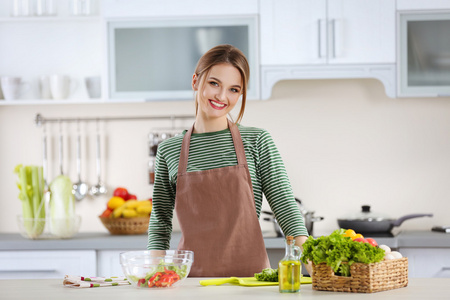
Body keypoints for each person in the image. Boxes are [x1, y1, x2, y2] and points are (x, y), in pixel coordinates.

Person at [147, 44, 310, 277]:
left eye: (234, 89)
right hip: (192, 282)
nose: (222, 97)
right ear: (195, 81)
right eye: (214, 83)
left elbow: (285, 207)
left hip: (251, 282)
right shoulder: (169, 150)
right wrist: (156, 273)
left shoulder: (257, 140)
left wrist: (315, 267)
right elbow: (160, 220)